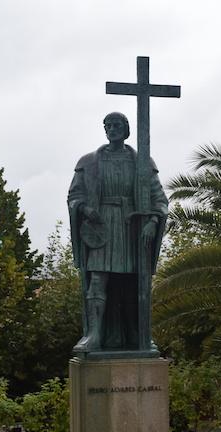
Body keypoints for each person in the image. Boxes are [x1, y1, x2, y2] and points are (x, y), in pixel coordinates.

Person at [67, 112, 168, 354]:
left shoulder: (142, 163)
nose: (112, 129)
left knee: (135, 283)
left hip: (131, 229)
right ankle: (94, 335)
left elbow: (159, 199)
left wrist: (153, 221)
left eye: (117, 125)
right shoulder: (89, 162)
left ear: (126, 129)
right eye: (108, 125)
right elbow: (74, 195)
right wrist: (86, 208)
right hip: (101, 227)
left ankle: (139, 334)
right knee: (98, 280)